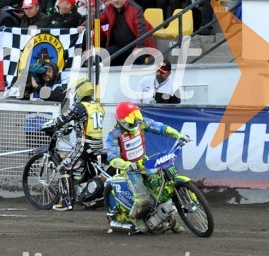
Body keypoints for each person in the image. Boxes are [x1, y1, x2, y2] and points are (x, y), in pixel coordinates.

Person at [104, 101, 189, 233]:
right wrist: (126, 164)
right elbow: (112, 159)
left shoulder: (141, 122)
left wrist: (178, 135)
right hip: (130, 169)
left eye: (137, 117)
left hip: (145, 161)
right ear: (122, 121)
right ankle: (136, 218)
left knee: (163, 188)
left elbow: (161, 128)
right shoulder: (113, 135)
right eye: (132, 120)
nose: (136, 122)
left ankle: (171, 220)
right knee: (143, 198)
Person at [40, 78, 104, 210]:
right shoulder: (97, 105)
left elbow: (62, 119)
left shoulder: (80, 106)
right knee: (85, 171)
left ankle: (66, 202)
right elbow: (85, 123)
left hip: (84, 145)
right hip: (98, 145)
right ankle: (89, 199)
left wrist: (47, 125)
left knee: (64, 167)